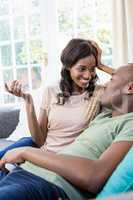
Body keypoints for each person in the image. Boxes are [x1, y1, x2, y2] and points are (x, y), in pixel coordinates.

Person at [0, 64, 133, 200]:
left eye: (111, 79)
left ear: (130, 87)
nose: (104, 85)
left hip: (47, 184)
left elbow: (93, 177)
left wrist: (26, 152)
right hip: (24, 173)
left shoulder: (130, 123)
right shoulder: (106, 115)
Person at [0, 38, 113, 158]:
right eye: (82, 69)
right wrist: (28, 101)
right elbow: (39, 140)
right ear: (68, 66)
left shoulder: (99, 93)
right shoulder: (51, 91)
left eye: (92, 69)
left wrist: (101, 65)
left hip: (68, 162)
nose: (88, 75)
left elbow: (129, 82)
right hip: (43, 156)